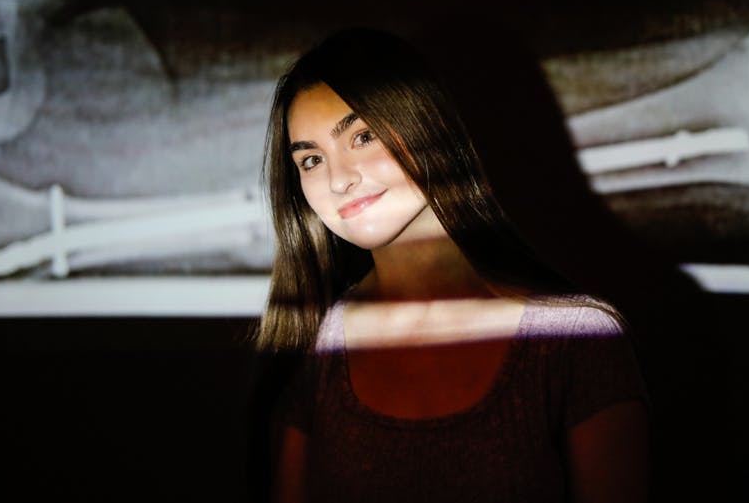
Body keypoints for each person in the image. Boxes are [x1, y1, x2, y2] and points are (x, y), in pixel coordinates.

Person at [252, 27, 649, 503]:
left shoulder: (576, 338)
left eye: (363, 135)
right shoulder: (312, 341)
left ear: (427, 125)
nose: (339, 179)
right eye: (311, 160)